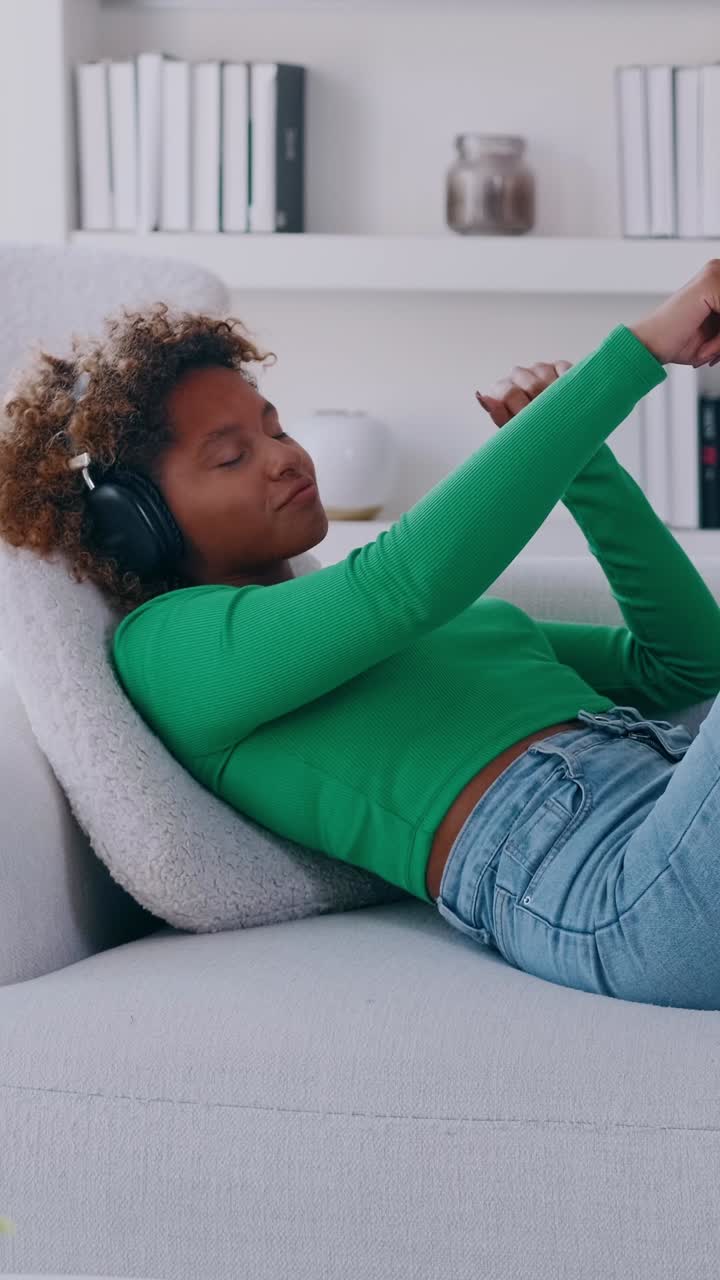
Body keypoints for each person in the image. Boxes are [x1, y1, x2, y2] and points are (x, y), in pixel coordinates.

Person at [2, 264, 720, 1010]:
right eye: (231, 456)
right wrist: (635, 354)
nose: (284, 456)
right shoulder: (168, 648)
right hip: (626, 895)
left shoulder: (451, 627)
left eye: (276, 428)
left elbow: (686, 664)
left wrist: (586, 464)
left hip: (674, 812)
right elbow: (406, 583)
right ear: (138, 521)